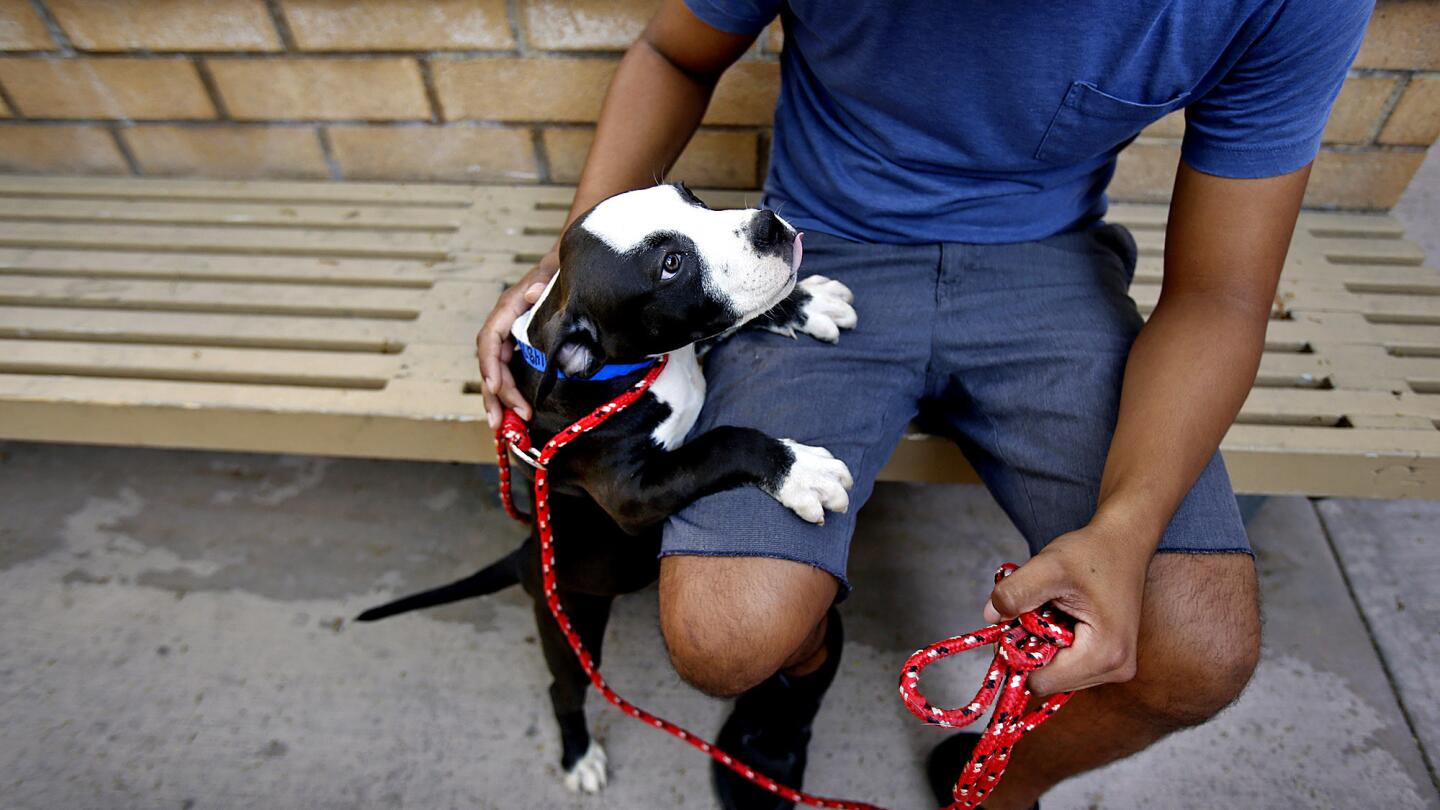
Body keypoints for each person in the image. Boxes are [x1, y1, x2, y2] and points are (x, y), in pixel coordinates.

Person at [475, 1, 1374, 807]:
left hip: (1047, 265)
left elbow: (1220, 296)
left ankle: (1000, 787)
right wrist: (577, 272)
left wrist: (1129, 527)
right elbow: (675, 50)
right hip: (821, 249)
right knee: (724, 636)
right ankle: (797, 684)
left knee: (1199, 650)